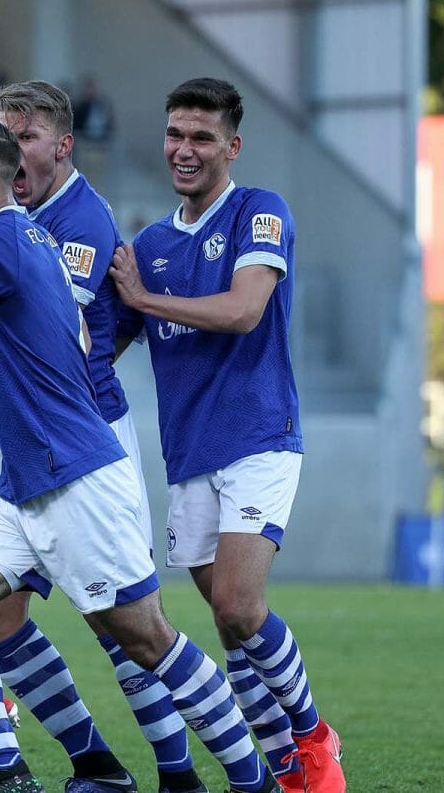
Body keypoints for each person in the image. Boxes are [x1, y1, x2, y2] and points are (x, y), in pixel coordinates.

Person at [0, 115, 278, 793]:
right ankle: (7, 775)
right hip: (24, 479)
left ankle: (252, 782)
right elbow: (63, 342)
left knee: (146, 639)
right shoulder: (27, 237)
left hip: (75, 479)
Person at [107, 78, 345, 793]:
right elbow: (98, 345)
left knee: (241, 606)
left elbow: (244, 310)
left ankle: (311, 736)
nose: (185, 149)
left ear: (231, 147)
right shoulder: (148, 243)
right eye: (176, 134)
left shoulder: (258, 212)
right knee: (229, 626)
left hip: (258, 436)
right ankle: (279, 767)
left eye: (202, 137)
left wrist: (144, 298)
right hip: (189, 454)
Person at [0, 79, 202, 793]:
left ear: (62, 144)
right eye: (2, 138)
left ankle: (180, 773)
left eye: (25, 139)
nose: (12, 154)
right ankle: (95, 762)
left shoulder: (81, 219)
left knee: (121, 622)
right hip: (28, 432)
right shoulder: (14, 213)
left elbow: (49, 333)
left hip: (85, 433)